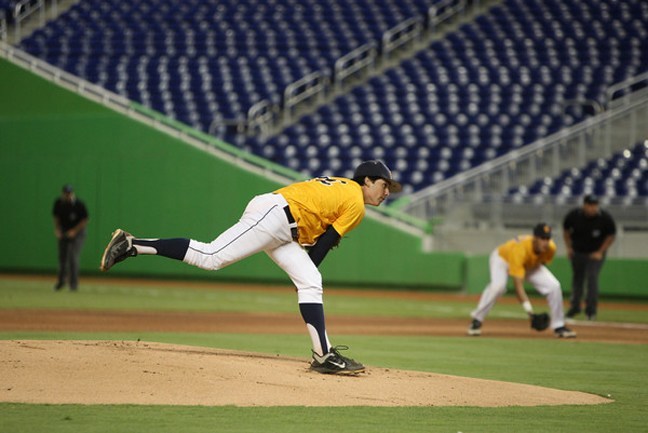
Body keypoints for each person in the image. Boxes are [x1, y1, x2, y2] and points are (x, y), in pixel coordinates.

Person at [100, 160, 402, 375]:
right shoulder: (356, 203)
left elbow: (317, 241)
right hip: (276, 217)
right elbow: (324, 244)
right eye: (383, 185)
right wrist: (304, 270)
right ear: (367, 181)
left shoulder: (344, 189)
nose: (387, 192)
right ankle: (133, 244)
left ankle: (323, 355)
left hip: (283, 225)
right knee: (212, 256)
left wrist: (303, 274)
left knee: (311, 280)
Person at [467, 223, 576, 338]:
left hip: (529, 264)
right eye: (542, 238)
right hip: (503, 259)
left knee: (554, 286)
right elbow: (518, 286)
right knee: (498, 287)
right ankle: (477, 319)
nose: (545, 242)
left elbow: (542, 263)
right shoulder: (520, 250)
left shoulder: (551, 248)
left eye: (548, 238)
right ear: (535, 238)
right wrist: (530, 313)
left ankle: (558, 325)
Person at [562, 194, 616, 321]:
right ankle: (575, 307)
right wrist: (569, 248)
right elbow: (566, 231)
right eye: (590, 205)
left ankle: (591, 311)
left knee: (592, 278)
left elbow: (611, 236)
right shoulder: (574, 215)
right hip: (578, 252)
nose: (592, 208)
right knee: (577, 279)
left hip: (595, 254)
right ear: (584, 205)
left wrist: (600, 252)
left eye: (595, 205)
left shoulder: (604, 218)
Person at [53, 184, 89, 291]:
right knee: (62, 258)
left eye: (69, 193)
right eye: (66, 193)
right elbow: (56, 217)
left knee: (73, 257)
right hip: (64, 231)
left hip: (78, 233)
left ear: (72, 193)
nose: (68, 195)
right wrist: (58, 230)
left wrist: (74, 231)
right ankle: (61, 282)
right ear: (63, 194)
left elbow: (84, 220)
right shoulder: (59, 203)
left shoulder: (79, 204)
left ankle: (73, 284)